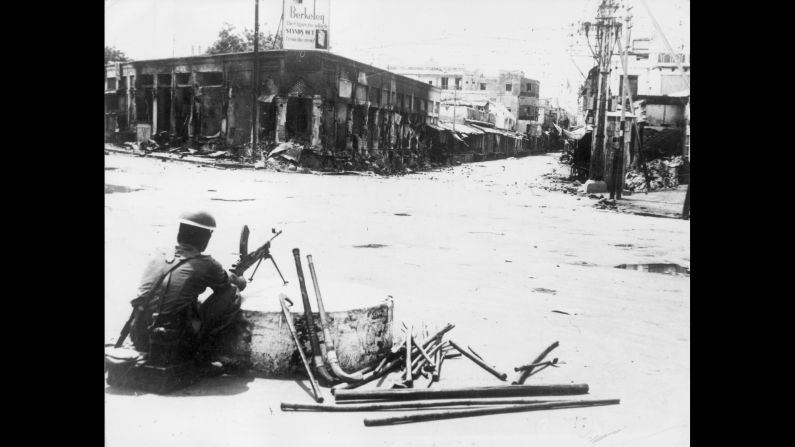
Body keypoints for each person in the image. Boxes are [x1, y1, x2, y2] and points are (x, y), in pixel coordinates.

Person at [129, 210, 248, 372]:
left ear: (180, 233)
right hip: (172, 344)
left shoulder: (158, 254)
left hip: (139, 336)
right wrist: (239, 278)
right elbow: (233, 284)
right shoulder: (207, 264)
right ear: (206, 239)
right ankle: (203, 356)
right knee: (232, 293)